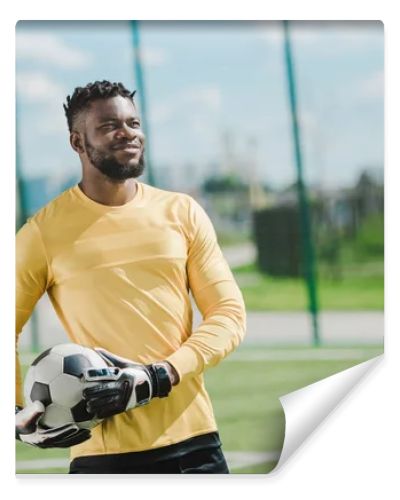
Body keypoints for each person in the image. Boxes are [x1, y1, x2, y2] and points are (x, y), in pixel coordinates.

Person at [15, 80, 246, 474]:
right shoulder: (42, 233)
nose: (128, 133)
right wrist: (16, 412)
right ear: (77, 143)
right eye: (108, 126)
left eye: (133, 122)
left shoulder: (182, 212)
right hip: (104, 458)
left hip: (196, 447)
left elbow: (228, 314)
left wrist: (160, 375)